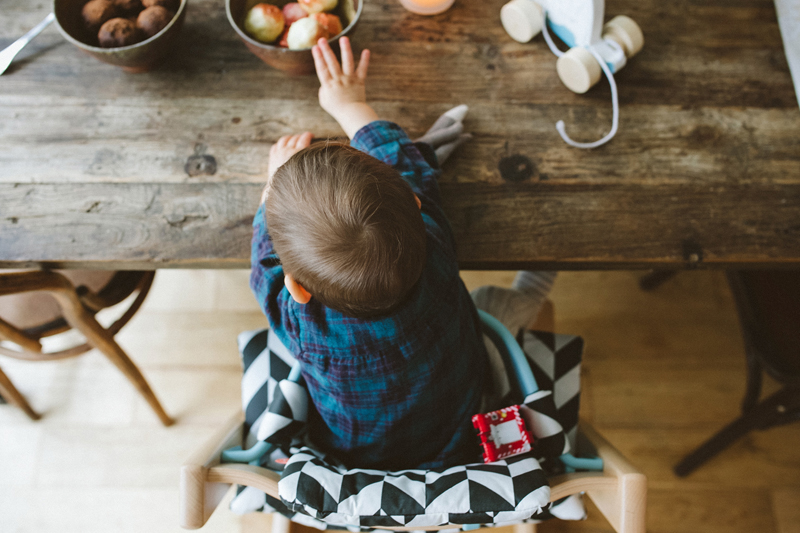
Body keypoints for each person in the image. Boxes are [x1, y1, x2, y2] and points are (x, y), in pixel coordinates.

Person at [250, 36, 554, 471]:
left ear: (296, 287)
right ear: (414, 205)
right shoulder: (434, 241)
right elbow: (408, 166)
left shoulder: (301, 323)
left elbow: (263, 268)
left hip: (352, 461)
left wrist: (270, 189)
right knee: (492, 307)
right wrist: (349, 104)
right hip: (463, 438)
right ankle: (535, 285)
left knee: (290, 365)